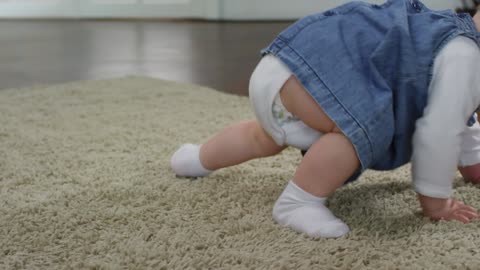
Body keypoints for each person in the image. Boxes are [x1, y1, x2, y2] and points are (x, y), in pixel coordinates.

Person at [170, 0, 480, 238]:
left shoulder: (450, 37)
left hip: (283, 69)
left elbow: (460, 119)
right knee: (357, 133)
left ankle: (196, 159)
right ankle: (298, 202)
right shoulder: (466, 58)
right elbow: (440, 133)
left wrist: (472, 165)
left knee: (265, 134)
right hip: (320, 80)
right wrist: (437, 203)